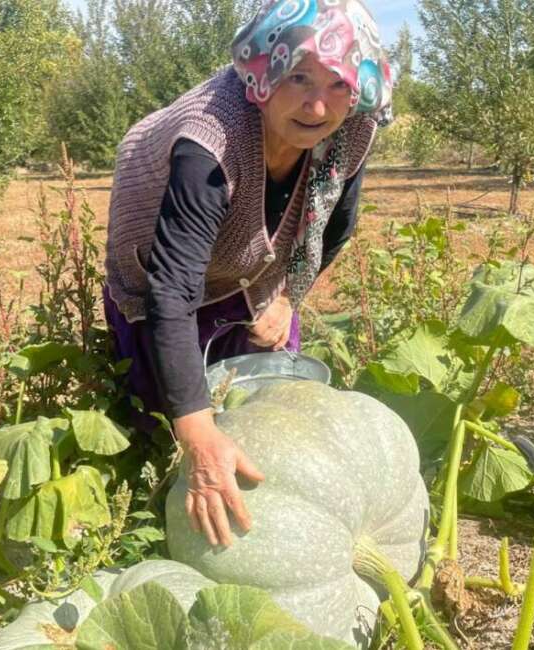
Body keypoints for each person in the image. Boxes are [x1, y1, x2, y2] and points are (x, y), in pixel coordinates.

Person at [102, 0, 394, 548]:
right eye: (299, 77)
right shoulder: (210, 139)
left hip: (256, 275)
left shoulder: (353, 127)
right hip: (159, 275)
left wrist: (286, 298)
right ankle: (147, 526)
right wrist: (197, 436)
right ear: (264, 72)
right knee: (165, 418)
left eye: (337, 84)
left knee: (273, 404)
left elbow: (335, 227)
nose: (316, 104)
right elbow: (172, 288)